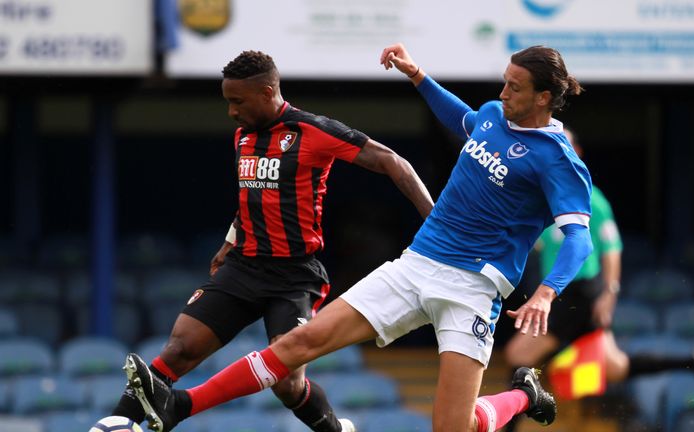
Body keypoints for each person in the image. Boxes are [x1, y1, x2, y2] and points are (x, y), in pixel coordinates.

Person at [125, 42, 594, 432]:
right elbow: (466, 121)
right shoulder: (494, 114)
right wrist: (419, 77)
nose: (503, 91)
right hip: (417, 264)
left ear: (544, 97)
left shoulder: (557, 160)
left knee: (455, 427)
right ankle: (180, 406)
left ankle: (519, 395)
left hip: (473, 289)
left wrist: (547, 293)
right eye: (505, 81)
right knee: (295, 346)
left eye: (515, 87)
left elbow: (578, 239)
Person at [111, 50, 435, 432]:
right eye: (228, 102)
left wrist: (436, 220)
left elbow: (394, 162)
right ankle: (110, 424)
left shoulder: (314, 131)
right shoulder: (242, 135)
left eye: (238, 102)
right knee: (179, 350)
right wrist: (231, 238)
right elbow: (254, 194)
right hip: (244, 266)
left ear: (267, 93)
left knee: (287, 383)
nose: (232, 111)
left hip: (295, 276)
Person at [503, 127, 694, 424]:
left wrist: (609, 294)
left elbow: (612, 248)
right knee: (615, 367)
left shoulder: (591, 199)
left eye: (565, 148)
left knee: (517, 355)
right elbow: (537, 242)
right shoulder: (548, 198)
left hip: (579, 292)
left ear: (577, 155)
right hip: (569, 294)